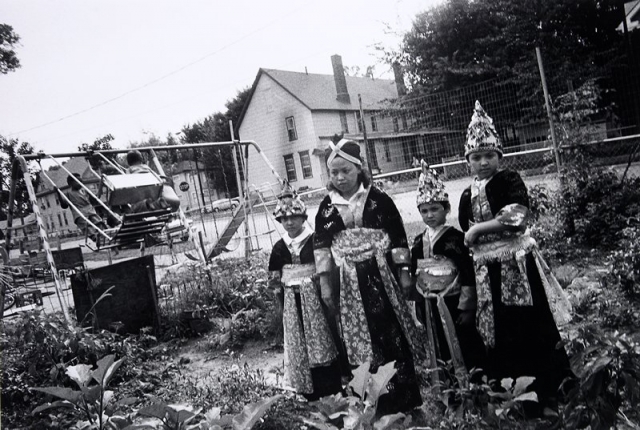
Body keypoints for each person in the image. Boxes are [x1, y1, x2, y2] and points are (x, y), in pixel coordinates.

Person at [458, 101, 573, 416]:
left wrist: (481, 228)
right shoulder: (467, 194)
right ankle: (510, 395)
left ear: (500, 157)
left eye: (489, 156)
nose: (483, 162)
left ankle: (548, 393)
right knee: (496, 326)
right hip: (487, 269)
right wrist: (475, 235)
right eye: (476, 157)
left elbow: (518, 216)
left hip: (516, 266)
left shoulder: (508, 180)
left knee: (528, 323)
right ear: (467, 161)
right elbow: (463, 227)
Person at [314, 138, 425, 414]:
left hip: (380, 280)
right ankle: (371, 404)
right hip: (347, 286)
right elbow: (321, 248)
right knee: (357, 341)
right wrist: (326, 284)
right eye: (334, 173)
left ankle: (405, 401)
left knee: (390, 333)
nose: (340, 178)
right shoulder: (326, 209)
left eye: (346, 171)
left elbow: (398, 236)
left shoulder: (379, 200)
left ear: (359, 170)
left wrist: (404, 273)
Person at [410, 160, 486, 385]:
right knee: (439, 345)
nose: (430, 215)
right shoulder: (417, 243)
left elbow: (467, 272)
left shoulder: (455, 239)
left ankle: (475, 387)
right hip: (431, 303)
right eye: (424, 210)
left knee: (464, 342)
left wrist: (467, 306)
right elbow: (418, 276)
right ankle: (448, 389)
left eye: (435, 209)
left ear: (446, 209)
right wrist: (419, 306)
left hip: (454, 304)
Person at [268, 182, 342, 401]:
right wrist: (281, 296)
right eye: (284, 219)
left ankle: (330, 386)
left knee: (323, 337)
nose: (289, 223)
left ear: (303, 217)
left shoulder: (314, 241)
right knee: (298, 340)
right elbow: (274, 278)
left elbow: (326, 267)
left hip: (317, 300)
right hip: (292, 302)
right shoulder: (279, 247)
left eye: (294, 217)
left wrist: (317, 286)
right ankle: (306, 389)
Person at [58, 173, 107, 241]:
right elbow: (64, 205)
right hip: (79, 213)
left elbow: (95, 200)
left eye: (81, 182)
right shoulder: (68, 194)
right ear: (71, 184)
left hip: (90, 211)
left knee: (98, 222)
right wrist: (58, 195)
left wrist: (101, 185)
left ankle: (105, 234)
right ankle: (94, 237)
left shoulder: (85, 191)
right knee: (85, 225)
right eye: (77, 182)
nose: (80, 184)